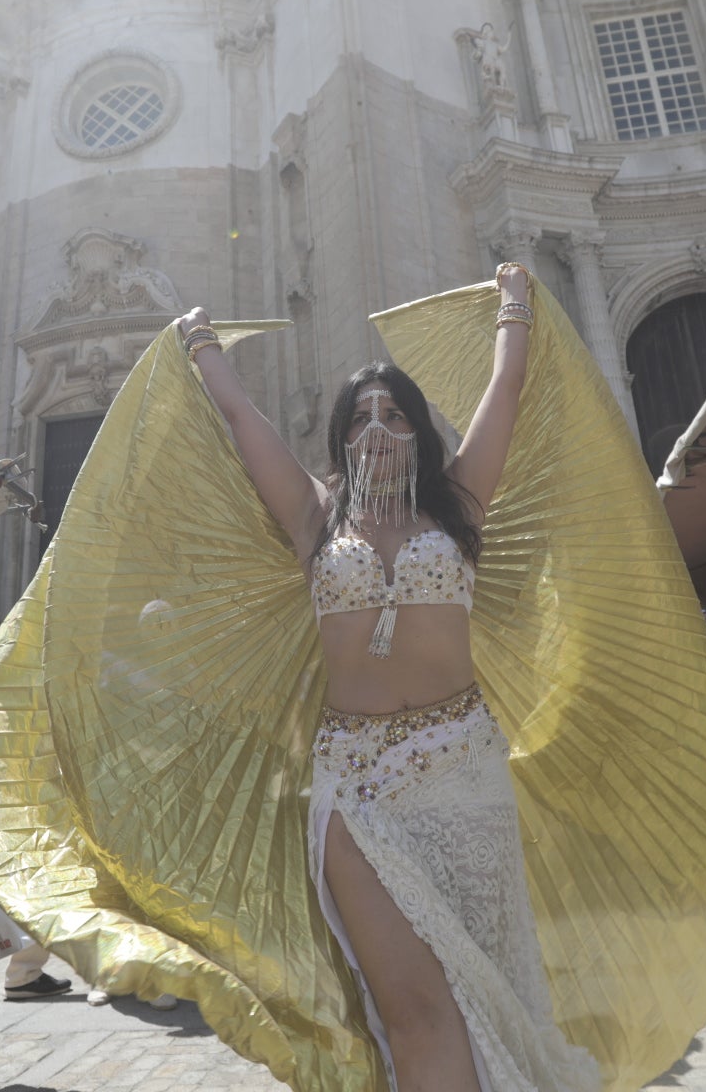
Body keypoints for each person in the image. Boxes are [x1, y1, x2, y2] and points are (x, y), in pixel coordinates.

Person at [171, 263, 600, 1091]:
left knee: (488, 988)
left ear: (417, 432)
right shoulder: (313, 517)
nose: (376, 429)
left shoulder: (459, 507)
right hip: (353, 786)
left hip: (465, 770)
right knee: (413, 1009)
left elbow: (504, 392)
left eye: (394, 415)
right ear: (341, 437)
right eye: (361, 417)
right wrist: (201, 343)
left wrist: (513, 307)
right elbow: (238, 415)